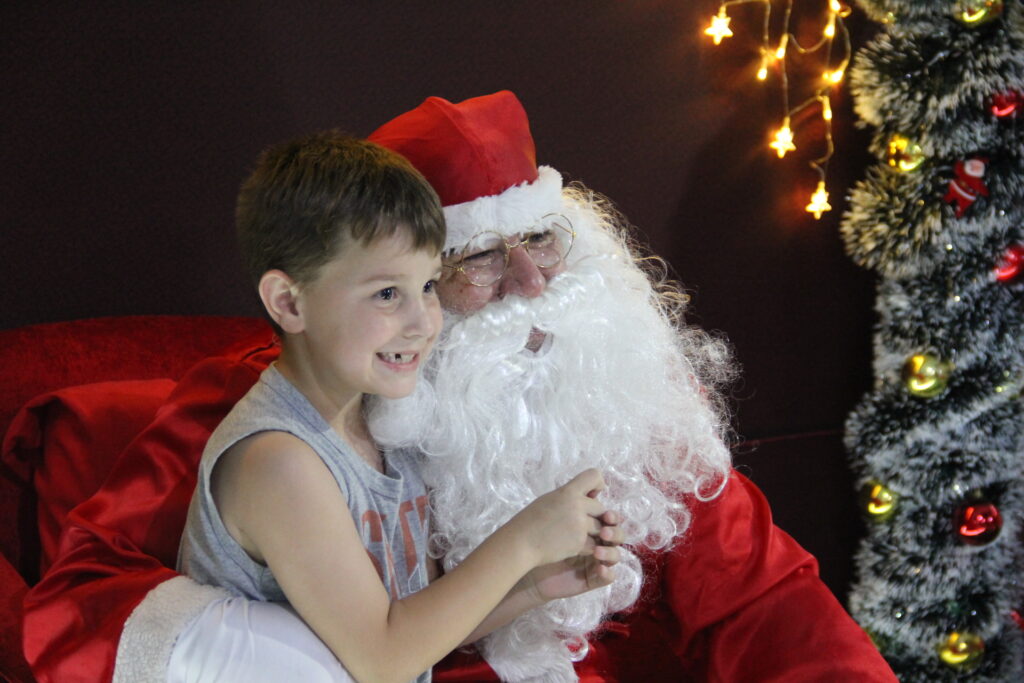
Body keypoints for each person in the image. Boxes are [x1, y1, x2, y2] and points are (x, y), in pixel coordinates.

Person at [22, 93, 897, 682]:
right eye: (477, 257)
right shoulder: (294, 421)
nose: (530, 282)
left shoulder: (617, 382)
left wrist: (536, 586)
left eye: (543, 240)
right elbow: (89, 593)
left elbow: (765, 596)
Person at [173, 130, 624, 683]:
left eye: (428, 286)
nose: (423, 322)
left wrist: (535, 585)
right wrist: (526, 540)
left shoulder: (384, 421)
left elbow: (416, 630)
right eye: (387, 294)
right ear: (288, 303)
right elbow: (383, 658)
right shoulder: (278, 461)